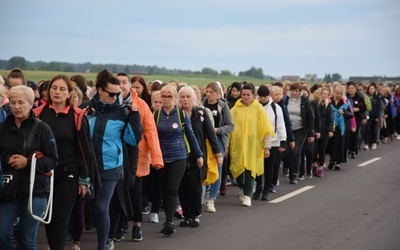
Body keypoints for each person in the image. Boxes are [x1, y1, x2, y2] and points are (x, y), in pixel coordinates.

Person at [33, 75, 97, 250]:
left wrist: (84, 178)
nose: (57, 92)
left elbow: (83, 149)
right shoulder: (38, 114)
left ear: (69, 93)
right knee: (48, 217)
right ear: (48, 90)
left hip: (69, 173)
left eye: (62, 89)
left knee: (61, 217)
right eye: (54, 88)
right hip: (44, 173)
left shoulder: (76, 115)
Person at [80, 69, 142, 250]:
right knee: (90, 208)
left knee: (101, 207)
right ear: (99, 90)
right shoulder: (85, 108)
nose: (115, 97)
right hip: (87, 166)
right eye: (111, 93)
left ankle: (103, 244)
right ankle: (104, 239)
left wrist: (134, 117)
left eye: (118, 94)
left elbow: (132, 140)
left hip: (111, 166)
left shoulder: (123, 112)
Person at [0, 85, 59, 250]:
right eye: (12, 102)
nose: (16, 107)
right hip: (8, 188)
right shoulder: (2, 128)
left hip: (36, 189)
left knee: (27, 238)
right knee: (3, 235)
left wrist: (28, 162)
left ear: (31, 103)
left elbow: (53, 160)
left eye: (21, 102)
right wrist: (7, 159)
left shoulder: (42, 129)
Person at [155, 84, 203, 235]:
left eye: (170, 96)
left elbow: (190, 136)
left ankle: (169, 222)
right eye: (164, 96)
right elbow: (151, 137)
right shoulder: (156, 115)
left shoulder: (181, 115)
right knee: (163, 189)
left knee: (172, 188)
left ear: (175, 98)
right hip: (162, 158)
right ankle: (169, 218)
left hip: (179, 157)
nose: (167, 99)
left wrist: (198, 155)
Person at [177, 86, 222, 227]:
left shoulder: (200, 113)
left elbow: (210, 133)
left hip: (198, 155)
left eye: (188, 97)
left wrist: (218, 153)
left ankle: (195, 215)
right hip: (180, 155)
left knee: (195, 185)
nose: (185, 100)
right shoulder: (176, 114)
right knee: (182, 186)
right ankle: (186, 215)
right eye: (182, 97)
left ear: (194, 98)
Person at [229, 84, 274, 206]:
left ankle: (247, 195)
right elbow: (229, 128)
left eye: (248, 95)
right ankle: (242, 187)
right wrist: (227, 146)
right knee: (237, 171)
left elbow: (266, 129)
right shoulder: (234, 109)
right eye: (243, 94)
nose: (246, 97)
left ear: (253, 95)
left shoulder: (258, 108)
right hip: (237, 146)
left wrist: (266, 147)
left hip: (253, 146)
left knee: (250, 169)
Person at [201, 82, 234, 213]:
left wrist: (217, 130)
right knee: (204, 167)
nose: (208, 95)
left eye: (211, 92)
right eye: (207, 92)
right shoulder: (201, 105)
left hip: (217, 140)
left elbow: (230, 126)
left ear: (218, 93)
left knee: (217, 169)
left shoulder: (223, 107)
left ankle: (212, 199)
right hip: (203, 140)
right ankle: (203, 194)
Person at [254, 85, 286, 200]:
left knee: (269, 166)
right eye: (261, 96)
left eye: (265, 96)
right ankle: (258, 187)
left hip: (273, 141)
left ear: (268, 96)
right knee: (258, 166)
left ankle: (266, 190)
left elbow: (281, 125)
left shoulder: (276, 108)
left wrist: (283, 140)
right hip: (258, 142)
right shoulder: (255, 106)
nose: (263, 99)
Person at [283, 82, 315, 184]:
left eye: (296, 91)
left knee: (296, 152)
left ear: (299, 92)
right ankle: (288, 167)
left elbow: (310, 117)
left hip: (300, 130)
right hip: (287, 129)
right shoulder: (285, 99)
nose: (294, 93)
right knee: (287, 153)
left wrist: (311, 133)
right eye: (292, 90)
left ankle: (294, 175)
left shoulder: (304, 101)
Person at [327, 84, 354, 170]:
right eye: (337, 93)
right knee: (330, 143)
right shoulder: (329, 102)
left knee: (339, 144)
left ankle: (337, 162)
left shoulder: (346, 102)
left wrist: (345, 112)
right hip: (332, 125)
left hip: (343, 127)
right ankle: (332, 160)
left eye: (340, 93)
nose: (338, 95)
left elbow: (351, 115)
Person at [312, 87, 334, 177]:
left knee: (322, 150)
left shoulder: (328, 105)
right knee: (314, 149)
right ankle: (314, 165)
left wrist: (330, 130)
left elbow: (330, 118)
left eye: (326, 94)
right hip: (315, 130)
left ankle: (320, 167)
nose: (325, 96)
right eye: (323, 94)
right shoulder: (314, 104)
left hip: (324, 131)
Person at [365, 83, 381, 150]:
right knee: (367, 129)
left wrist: (378, 116)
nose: (371, 90)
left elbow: (379, 107)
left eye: (372, 89)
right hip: (367, 115)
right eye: (370, 89)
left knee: (373, 129)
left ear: (375, 90)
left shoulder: (377, 97)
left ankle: (374, 142)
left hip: (374, 116)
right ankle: (367, 143)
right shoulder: (366, 96)